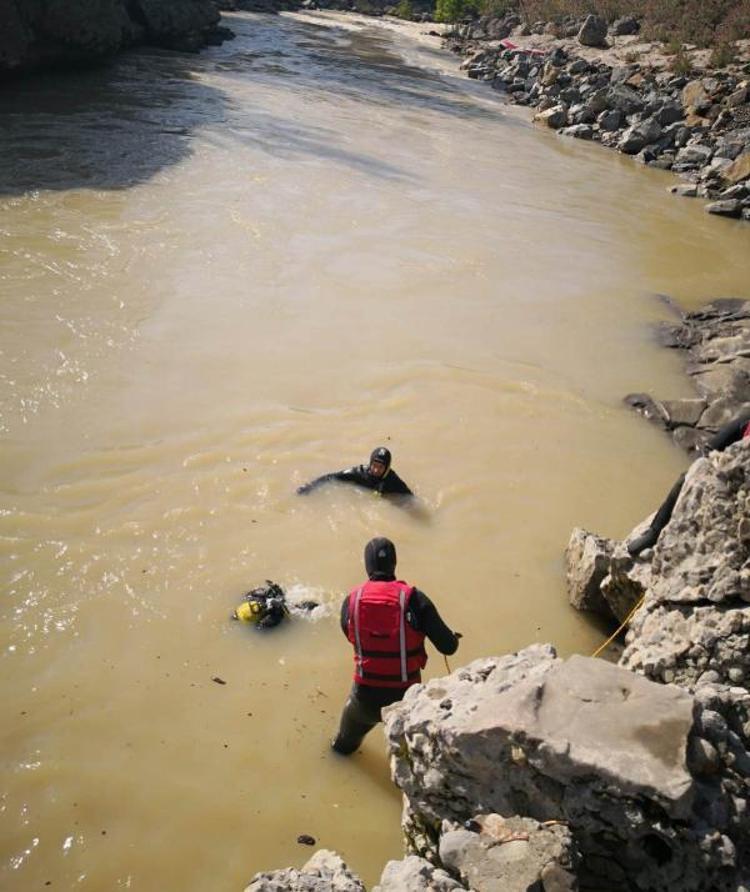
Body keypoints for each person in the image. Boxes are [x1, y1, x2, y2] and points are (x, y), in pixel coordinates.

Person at [331, 537, 460, 755]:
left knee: (341, 749)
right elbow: (448, 647)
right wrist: (452, 637)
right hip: (406, 702)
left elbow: (350, 635)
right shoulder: (415, 600)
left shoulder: (351, 600)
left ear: (366, 565)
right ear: (394, 563)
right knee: (411, 759)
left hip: (364, 700)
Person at [627, 410, 750, 557]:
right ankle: (654, 532)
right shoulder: (746, 421)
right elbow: (710, 447)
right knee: (686, 477)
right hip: (728, 479)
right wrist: (718, 463)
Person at [297, 447, 413, 497]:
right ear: (370, 463)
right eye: (374, 465)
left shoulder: (392, 480)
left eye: (381, 467)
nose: (376, 470)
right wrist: (310, 487)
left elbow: (409, 497)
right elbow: (331, 477)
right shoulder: (359, 472)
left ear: (387, 468)